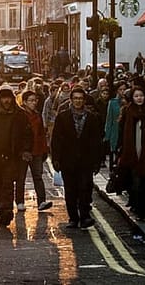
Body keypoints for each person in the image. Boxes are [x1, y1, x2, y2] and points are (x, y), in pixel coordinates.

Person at [51, 86, 103, 229]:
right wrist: (56, 158)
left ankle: (85, 216)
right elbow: (56, 139)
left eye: (80, 98)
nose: (78, 101)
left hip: (86, 160)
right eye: (75, 98)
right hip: (68, 160)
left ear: (84, 100)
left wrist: (97, 161)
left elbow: (96, 141)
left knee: (85, 188)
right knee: (71, 190)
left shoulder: (92, 118)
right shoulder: (62, 117)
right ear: (71, 100)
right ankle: (73, 218)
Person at [0, 86, 32, 226]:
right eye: (4, 98)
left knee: (8, 183)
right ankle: (0, 208)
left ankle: (6, 211)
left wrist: (26, 150)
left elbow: (27, 134)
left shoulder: (20, 115)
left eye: (8, 98)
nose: (6, 101)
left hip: (12, 154)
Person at [116, 86, 145, 219]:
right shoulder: (128, 111)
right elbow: (122, 132)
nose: (139, 98)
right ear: (132, 98)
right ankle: (139, 209)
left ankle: (142, 207)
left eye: (141, 96)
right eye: (136, 96)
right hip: (131, 152)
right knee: (136, 181)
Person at [16, 90, 52, 212]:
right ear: (24, 102)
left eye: (35, 100)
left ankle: (41, 201)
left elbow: (41, 133)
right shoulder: (19, 115)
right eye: (31, 100)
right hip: (24, 152)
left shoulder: (37, 115)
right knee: (21, 178)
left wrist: (44, 149)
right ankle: (20, 201)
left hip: (37, 151)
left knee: (38, 176)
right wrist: (21, 151)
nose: (34, 103)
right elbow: (17, 135)